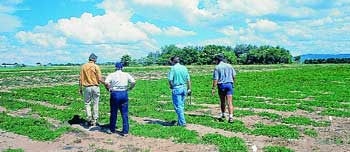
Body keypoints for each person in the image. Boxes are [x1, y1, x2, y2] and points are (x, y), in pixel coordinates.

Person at [104, 62, 135, 136]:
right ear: (122, 68)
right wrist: (130, 88)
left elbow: (106, 82)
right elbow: (133, 82)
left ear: (115, 67)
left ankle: (112, 129)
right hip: (124, 93)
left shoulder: (112, 74)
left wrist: (109, 89)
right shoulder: (126, 74)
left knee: (114, 112)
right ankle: (125, 131)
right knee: (124, 113)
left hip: (115, 93)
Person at [79, 53, 105, 126]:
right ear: (95, 59)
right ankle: (95, 119)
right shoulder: (96, 66)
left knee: (87, 103)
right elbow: (100, 79)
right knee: (95, 103)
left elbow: (80, 79)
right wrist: (106, 83)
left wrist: (80, 89)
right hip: (95, 87)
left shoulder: (83, 66)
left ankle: (89, 116)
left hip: (86, 88)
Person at [211, 54, 236, 123]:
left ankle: (223, 115)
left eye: (215, 60)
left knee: (222, 101)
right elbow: (234, 76)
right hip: (229, 84)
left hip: (221, 85)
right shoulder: (230, 66)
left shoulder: (217, 67)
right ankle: (231, 117)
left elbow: (216, 79)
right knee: (230, 102)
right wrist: (233, 83)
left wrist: (213, 88)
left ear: (217, 60)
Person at [168, 56, 191, 127]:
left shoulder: (173, 68)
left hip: (177, 88)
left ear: (173, 61)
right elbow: (188, 79)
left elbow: (170, 79)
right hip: (184, 87)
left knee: (178, 106)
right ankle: (180, 121)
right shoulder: (184, 67)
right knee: (181, 105)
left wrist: (172, 87)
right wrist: (189, 88)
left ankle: (182, 122)